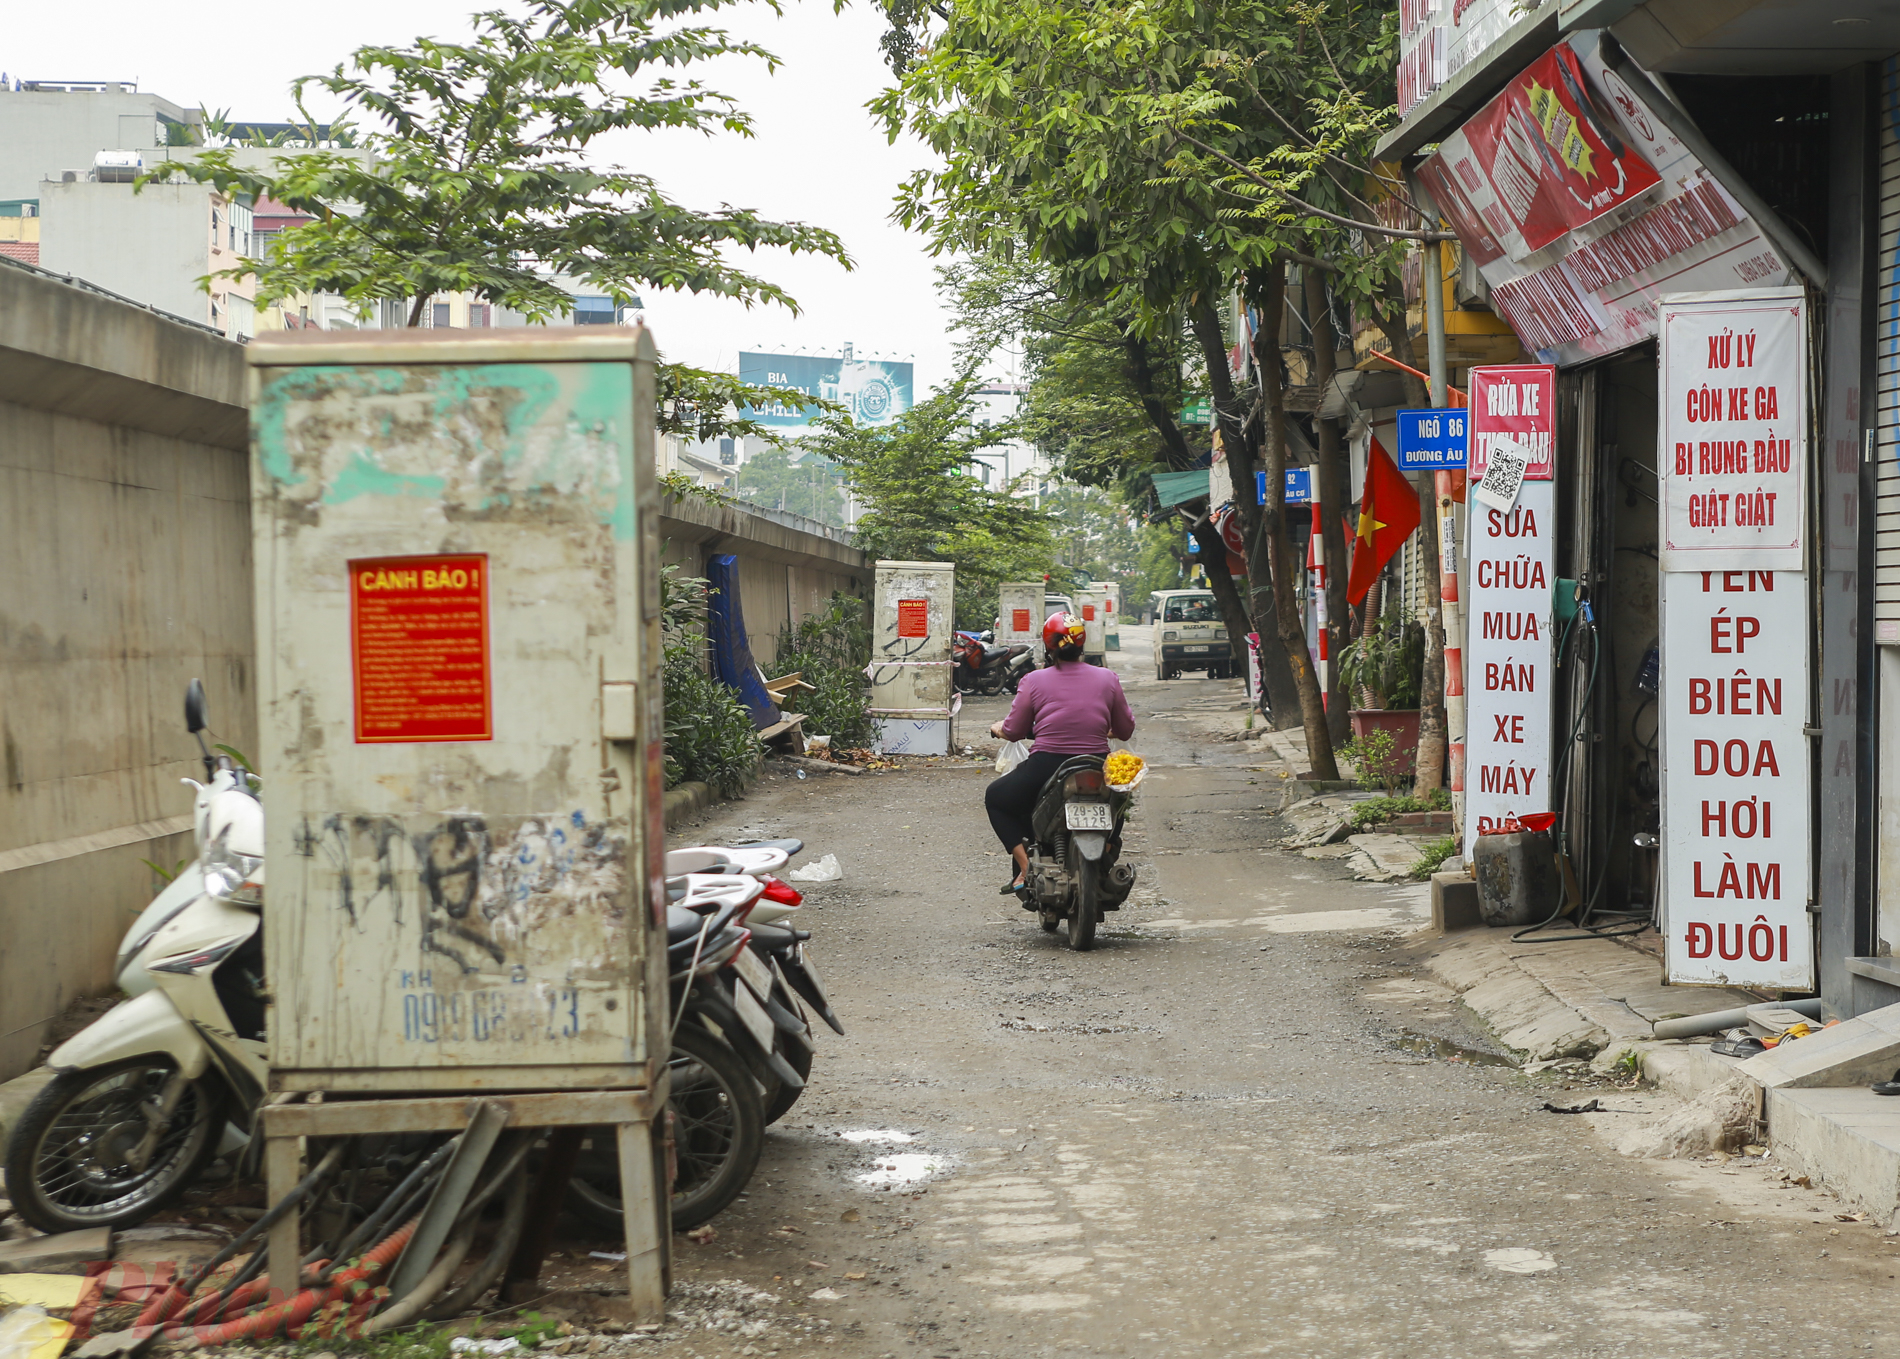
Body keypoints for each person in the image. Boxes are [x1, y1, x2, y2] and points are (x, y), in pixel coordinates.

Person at [984, 611, 1136, 893]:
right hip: (1096, 765)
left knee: (996, 798)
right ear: (1082, 644)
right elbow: (1124, 730)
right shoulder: (1108, 678)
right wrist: (1102, 729)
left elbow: (1015, 730)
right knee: (1119, 802)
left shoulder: (1033, 680)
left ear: (1048, 646)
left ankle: (1026, 868)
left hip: (1046, 767)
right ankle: (1109, 848)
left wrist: (998, 728)